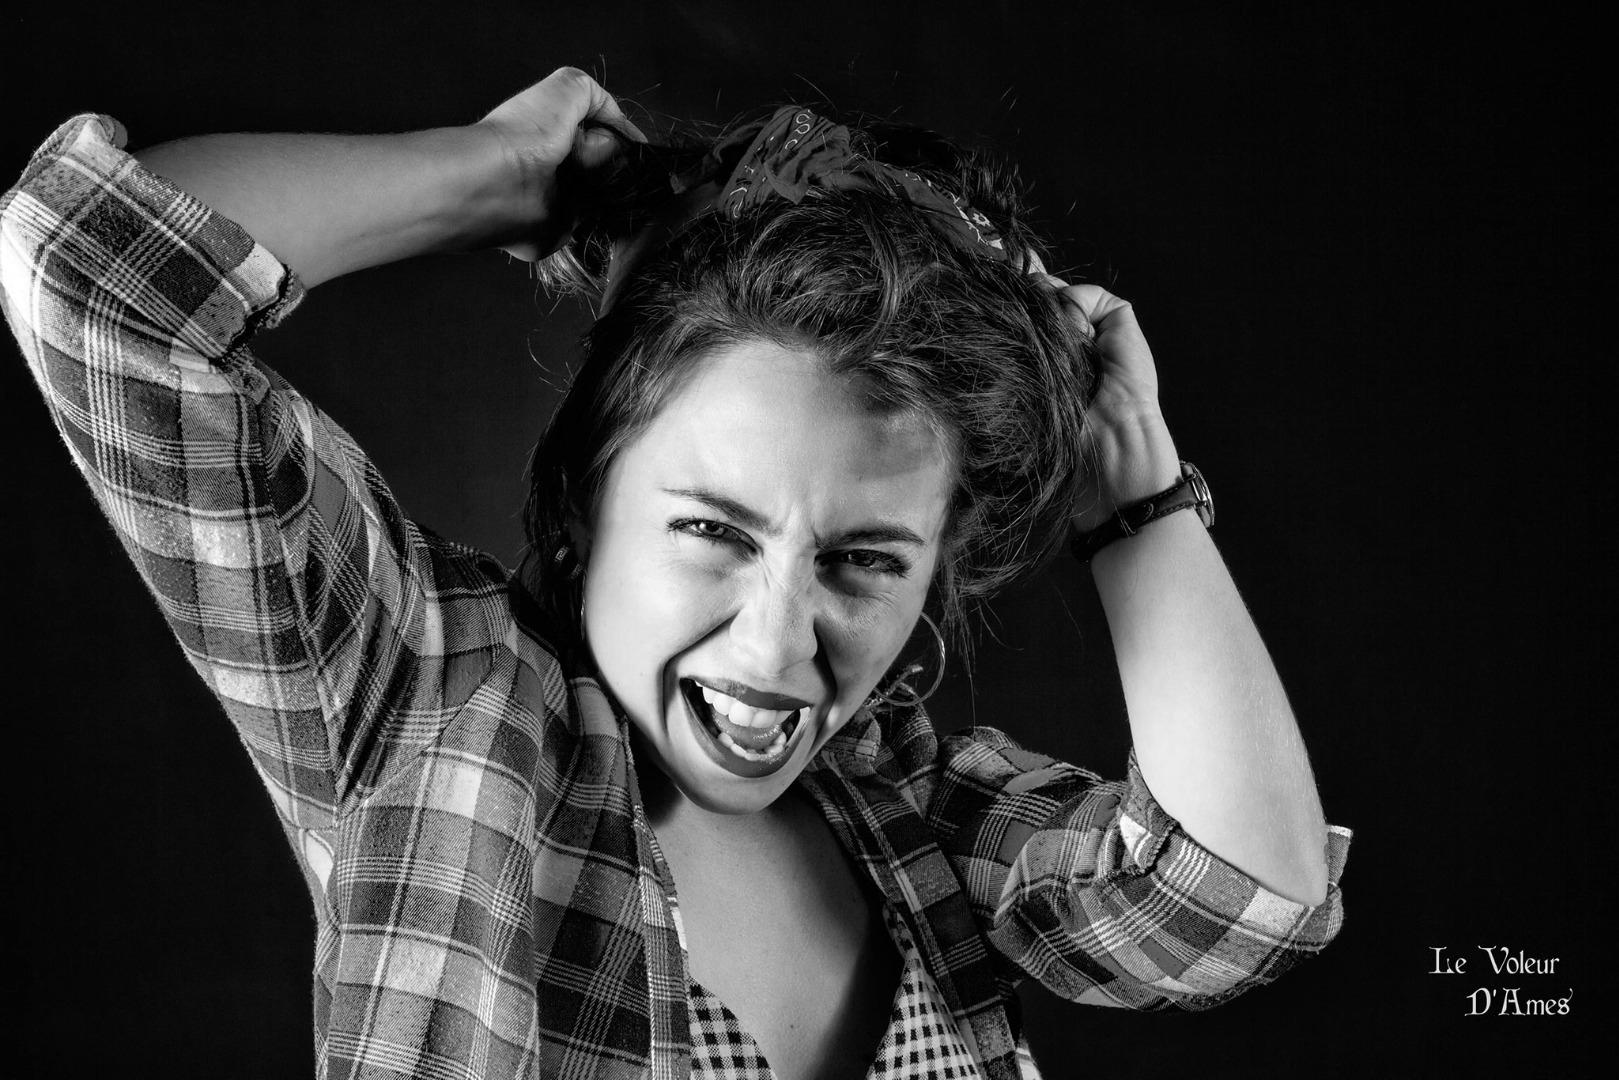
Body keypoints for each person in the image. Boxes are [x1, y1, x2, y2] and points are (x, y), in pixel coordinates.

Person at [2, 67, 1349, 1079]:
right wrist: (503, 176)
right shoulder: (432, 708)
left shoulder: (914, 824)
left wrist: (1138, 497)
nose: (774, 645)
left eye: (864, 560)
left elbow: (1235, 902)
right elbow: (89, 266)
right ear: (590, 495)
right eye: (714, 531)